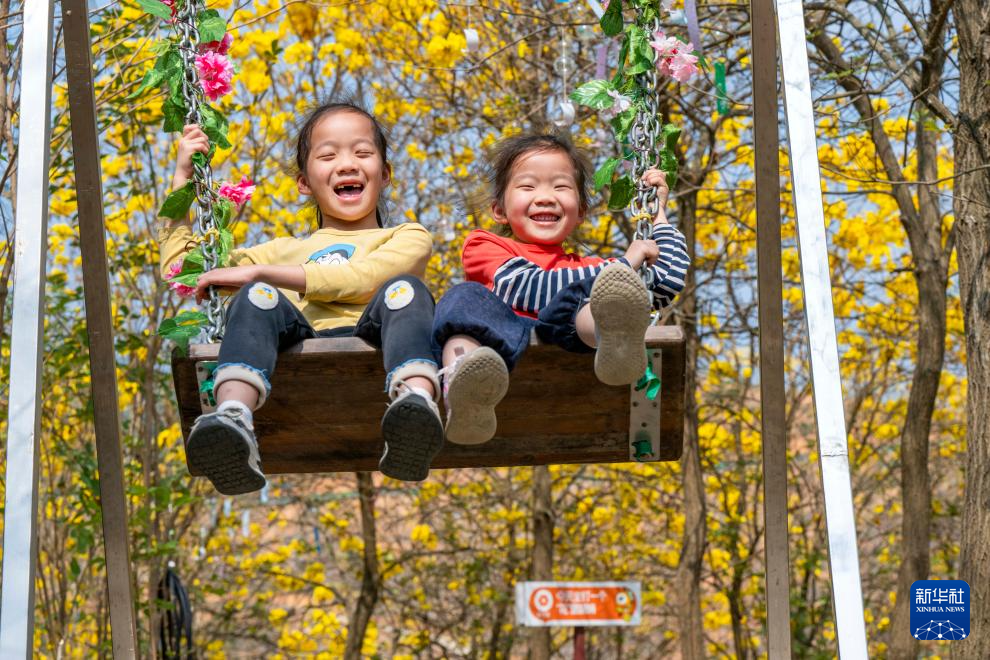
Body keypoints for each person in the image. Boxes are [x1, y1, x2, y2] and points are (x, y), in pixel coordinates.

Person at [158, 102, 444, 493]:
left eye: (362, 153)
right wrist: (182, 179)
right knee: (256, 296)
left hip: (378, 335)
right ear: (304, 183)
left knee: (406, 290)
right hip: (299, 338)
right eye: (328, 156)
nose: (347, 164)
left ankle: (415, 407)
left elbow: (366, 278)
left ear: (385, 174)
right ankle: (233, 418)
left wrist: (262, 272)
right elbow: (185, 270)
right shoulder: (281, 252)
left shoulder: (406, 237)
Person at [433, 134, 689, 445]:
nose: (545, 197)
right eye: (528, 187)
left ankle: (613, 338)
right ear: (499, 210)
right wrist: (625, 263)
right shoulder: (484, 246)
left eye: (560, 187)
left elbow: (663, 285)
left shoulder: (596, 272)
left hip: (567, 338)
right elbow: (530, 288)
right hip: (495, 345)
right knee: (463, 299)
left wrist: (658, 214)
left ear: (581, 211)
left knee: (600, 298)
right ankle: (466, 390)